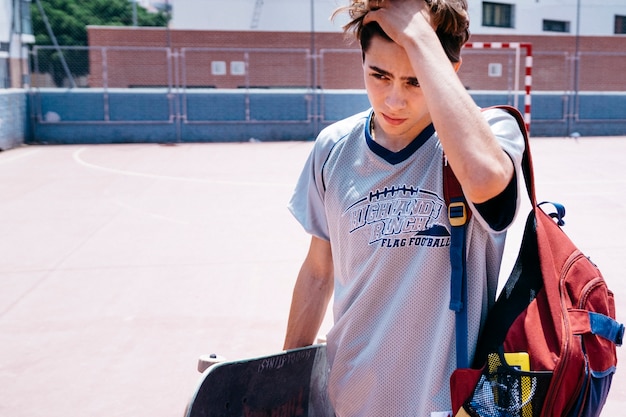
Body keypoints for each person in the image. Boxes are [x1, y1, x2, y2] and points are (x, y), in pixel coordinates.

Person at [283, 0, 525, 415]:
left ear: (445, 71)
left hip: (451, 403)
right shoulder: (333, 148)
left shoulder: (490, 135)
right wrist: (283, 379)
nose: (394, 100)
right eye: (379, 75)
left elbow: (487, 182)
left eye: (415, 82)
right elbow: (319, 272)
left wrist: (418, 35)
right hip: (351, 395)